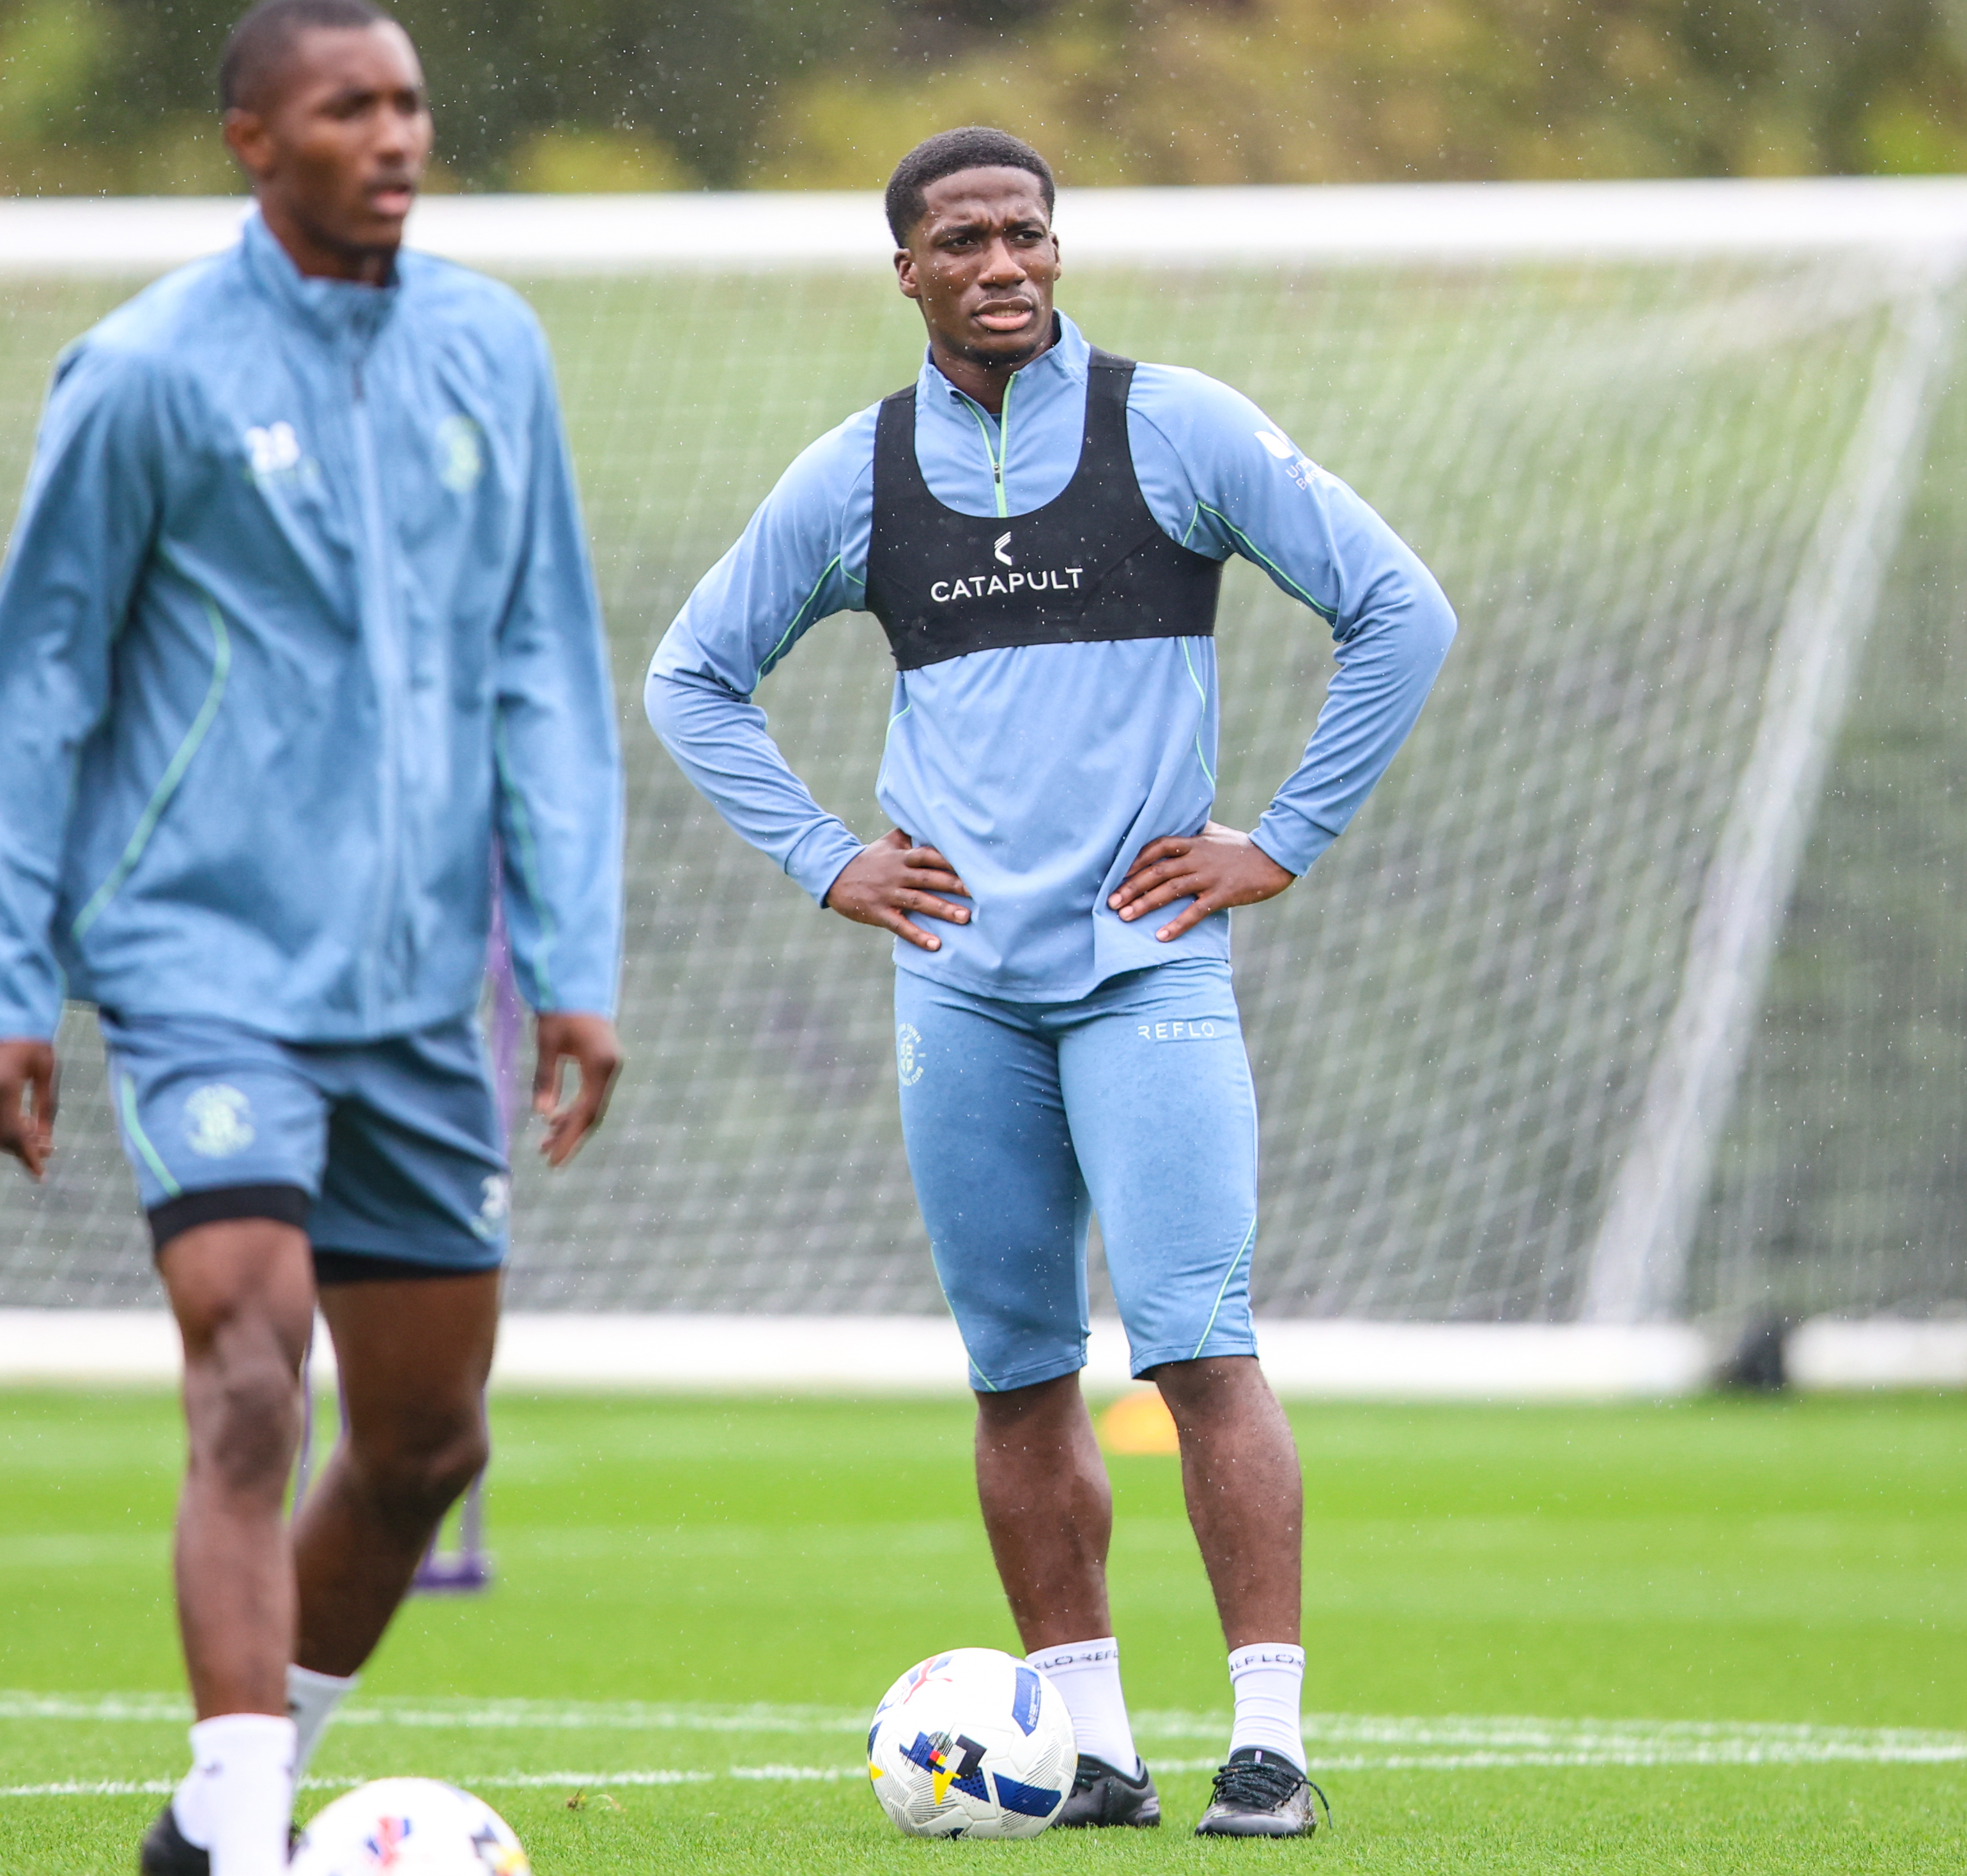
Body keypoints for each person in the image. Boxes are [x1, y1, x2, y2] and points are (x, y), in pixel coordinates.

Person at [644, 127, 1454, 1837]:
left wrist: (1282, 837)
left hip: (1148, 973)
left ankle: (1270, 1747)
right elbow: (691, 676)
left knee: (1196, 1349)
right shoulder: (855, 477)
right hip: (957, 988)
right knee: (1014, 1373)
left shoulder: (1179, 428)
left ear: (1056, 252)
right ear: (907, 273)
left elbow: (1401, 610)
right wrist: (827, 858)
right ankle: (1088, 1749)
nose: (1002, 263)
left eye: (1027, 234)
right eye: (963, 242)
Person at [0, 3, 624, 1870]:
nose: (393, 137)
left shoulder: (493, 346)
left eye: (409, 104)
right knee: (250, 1371)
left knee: (423, 1449)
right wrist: (4, 983)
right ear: (255, 139)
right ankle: (251, 1834)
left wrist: (573, 954)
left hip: (418, 995)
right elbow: (31, 696)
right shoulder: (148, 373)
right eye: (349, 109)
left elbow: (545, 672)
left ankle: (202, 1821)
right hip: (201, 970)